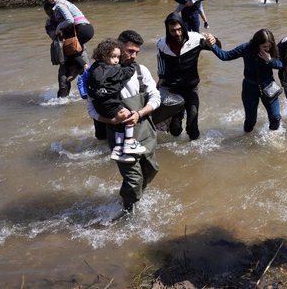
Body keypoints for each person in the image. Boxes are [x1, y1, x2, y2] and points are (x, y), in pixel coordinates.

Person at [87, 30, 162, 215]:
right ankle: (128, 212)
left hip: (145, 130)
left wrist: (139, 113)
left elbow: (156, 96)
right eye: (129, 51)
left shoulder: (140, 71)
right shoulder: (99, 73)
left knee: (151, 169)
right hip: (119, 135)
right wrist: (111, 119)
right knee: (133, 178)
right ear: (119, 47)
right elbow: (91, 108)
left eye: (137, 52)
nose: (133, 55)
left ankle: (134, 198)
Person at [156, 12, 218, 141]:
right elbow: (160, 59)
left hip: (191, 88)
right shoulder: (162, 43)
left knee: (192, 129)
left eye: (179, 29)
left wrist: (214, 40)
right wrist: (161, 76)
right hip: (172, 90)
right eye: (173, 31)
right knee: (175, 131)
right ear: (167, 30)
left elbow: (217, 48)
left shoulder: (195, 39)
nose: (177, 33)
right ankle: (177, 117)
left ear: (183, 27)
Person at [210, 29, 283, 132]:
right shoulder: (246, 48)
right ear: (257, 44)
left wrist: (270, 60)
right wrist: (212, 46)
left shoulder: (273, 49)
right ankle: (246, 139)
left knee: (275, 117)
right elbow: (225, 56)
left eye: (269, 46)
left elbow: (281, 65)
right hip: (250, 87)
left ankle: (273, 138)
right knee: (250, 121)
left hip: (269, 85)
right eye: (264, 47)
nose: (267, 49)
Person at [87, 38, 147, 162]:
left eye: (118, 57)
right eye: (113, 57)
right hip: (109, 104)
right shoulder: (113, 70)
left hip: (99, 105)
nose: (116, 60)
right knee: (127, 115)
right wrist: (132, 66)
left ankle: (118, 149)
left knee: (119, 123)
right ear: (103, 56)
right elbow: (126, 73)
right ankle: (129, 143)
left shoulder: (94, 68)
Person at [44, 1, 89, 98]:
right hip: (64, 52)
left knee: (87, 75)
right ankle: (62, 102)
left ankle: (92, 98)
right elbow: (53, 35)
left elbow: (81, 27)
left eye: (52, 12)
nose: (51, 15)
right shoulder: (49, 23)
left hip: (78, 50)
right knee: (63, 80)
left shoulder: (69, 18)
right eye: (48, 13)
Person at [44, 0, 94, 69]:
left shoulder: (60, 5)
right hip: (86, 28)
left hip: (82, 29)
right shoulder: (64, 2)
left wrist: (59, 27)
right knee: (75, 50)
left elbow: (70, 20)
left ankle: (85, 67)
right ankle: (83, 67)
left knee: (69, 49)